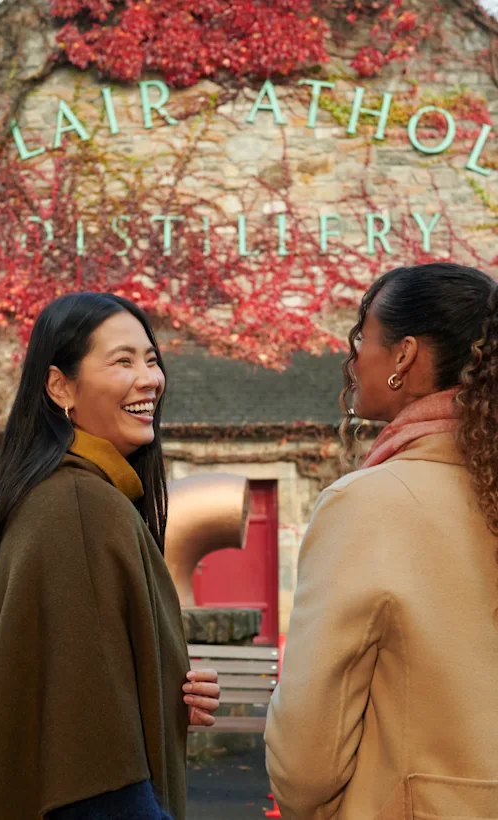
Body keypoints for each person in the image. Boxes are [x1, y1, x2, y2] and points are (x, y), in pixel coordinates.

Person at [0, 292, 220, 820]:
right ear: (61, 386)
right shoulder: (79, 508)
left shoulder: (62, 497)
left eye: (151, 359)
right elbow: (98, 780)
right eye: (122, 360)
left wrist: (166, 686)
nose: (149, 379)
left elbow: (62, 693)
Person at [265, 262, 498, 819]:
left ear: (404, 356)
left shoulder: (367, 504)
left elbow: (305, 765)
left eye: (362, 336)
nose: (352, 359)